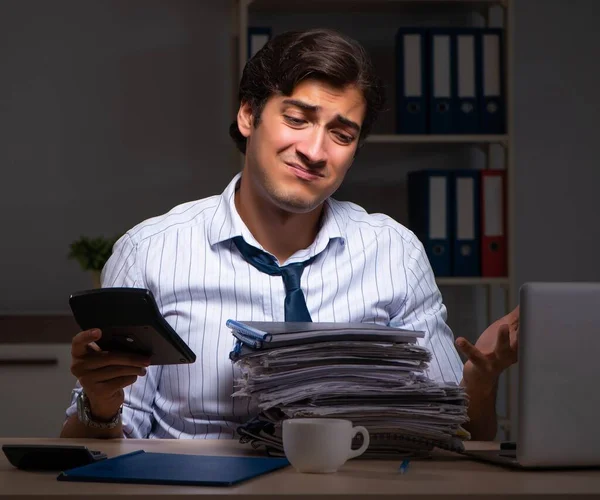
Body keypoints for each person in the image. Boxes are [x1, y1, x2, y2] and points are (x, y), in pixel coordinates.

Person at [61, 28, 518, 441]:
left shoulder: (394, 251)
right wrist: (100, 403)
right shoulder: (150, 252)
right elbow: (103, 453)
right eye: (297, 119)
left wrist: (479, 383)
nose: (315, 151)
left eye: (341, 134)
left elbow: (454, 440)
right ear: (248, 116)